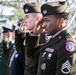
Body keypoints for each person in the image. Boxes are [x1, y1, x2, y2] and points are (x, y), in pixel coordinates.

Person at [25, 1, 76, 75]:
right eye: (44, 20)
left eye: (47, 20)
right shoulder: (53, 41)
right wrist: (35, 34)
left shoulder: (66, 45)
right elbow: (31, 54)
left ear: (61, 21)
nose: (43, 25)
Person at [14, 2, 49, 75]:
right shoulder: (32, 36)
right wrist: (20, 34)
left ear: (38, 18)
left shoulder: (43, 37)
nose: (24, 21)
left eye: (27, 17)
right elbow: (22, 51)